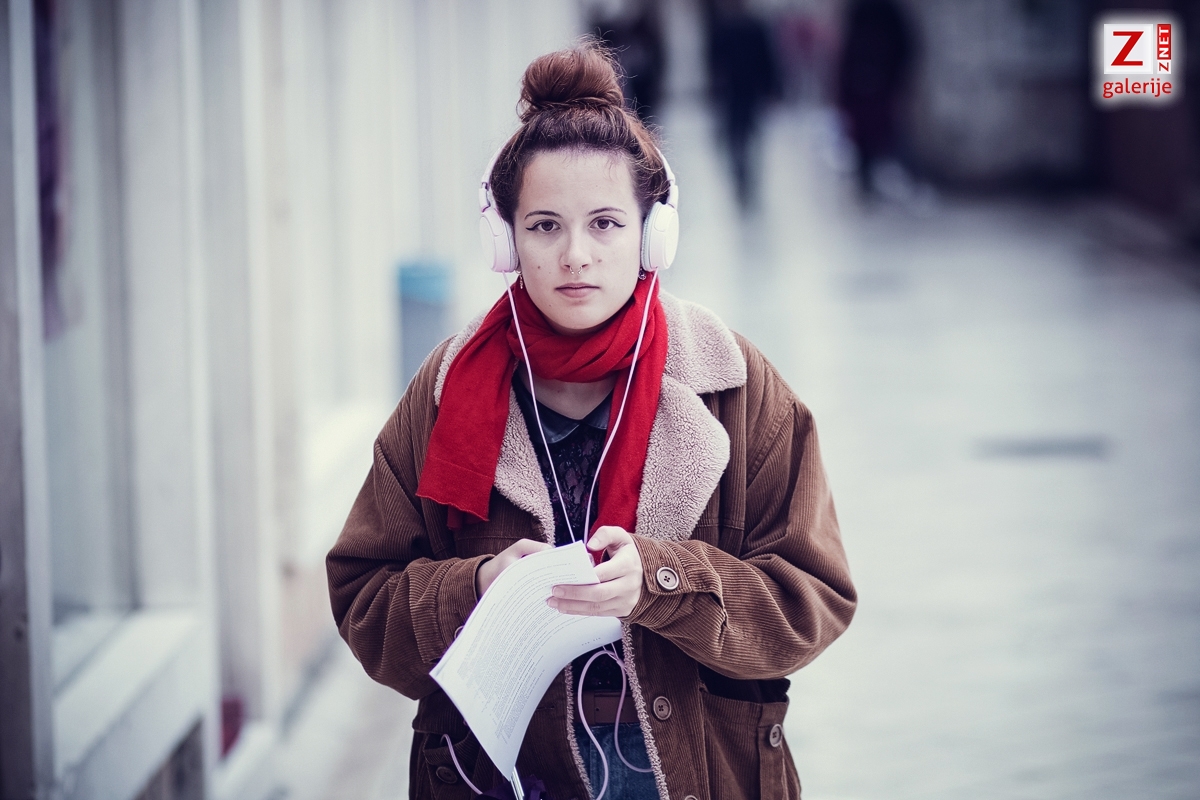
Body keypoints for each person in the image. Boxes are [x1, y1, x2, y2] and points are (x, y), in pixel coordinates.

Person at [327, 40, 855, 800]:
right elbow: (361, 596)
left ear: (652, 232)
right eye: (545, 226)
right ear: (506, 238)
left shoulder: (734, 384)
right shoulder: (445, 391)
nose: (576, 255)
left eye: (605, 223)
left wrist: (664, 581)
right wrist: (475, 589)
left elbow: (814, 598)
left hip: (701, 772)